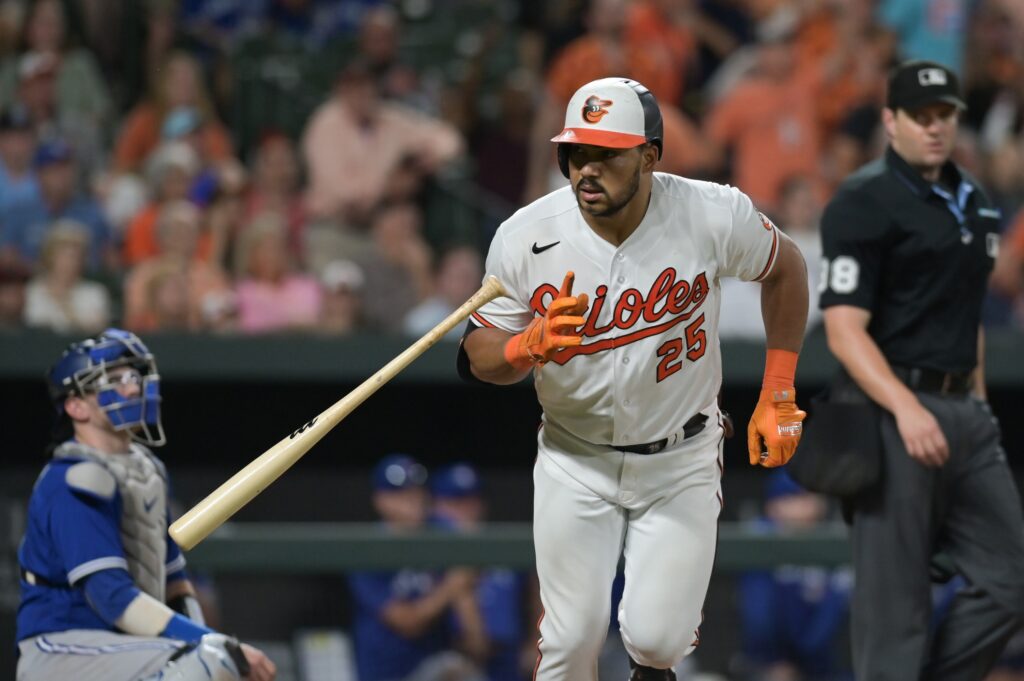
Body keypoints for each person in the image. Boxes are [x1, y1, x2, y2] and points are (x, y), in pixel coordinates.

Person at [457, 77, 809, 681]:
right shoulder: (526, 235)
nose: (586, 169)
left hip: (681, 456)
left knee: (656, 639)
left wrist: (779, 388)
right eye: (576, 152)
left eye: (606, 153)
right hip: (575, 456)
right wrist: (523, 345)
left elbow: (787, 269)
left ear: (649, 156)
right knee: (570, 643)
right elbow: (473, 356)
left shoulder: (711, 212)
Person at [818, 60, 1024, 681]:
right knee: (895, 606)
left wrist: (980, 404)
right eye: (921, 116)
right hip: (892, 407)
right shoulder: (864, 199)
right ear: (891, 120)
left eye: (945, 115)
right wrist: (905, 409)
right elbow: (843, 329)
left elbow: (968, 318)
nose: (935, 127)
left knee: (1010, 578)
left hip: (965, 407)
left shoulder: (976, 203)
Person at [15, 328, 276, 680]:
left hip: (123, 646)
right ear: (76, 406)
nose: (132, 387)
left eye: (133, 376)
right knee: (218, 660)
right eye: (113, 380)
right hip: (62, 645)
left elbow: (174, 581)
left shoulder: (145, 471)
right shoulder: (73, 478)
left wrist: (210, 643)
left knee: (223, 664)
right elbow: (111, 597)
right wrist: (214, 644)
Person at [347, 453, 487, 681]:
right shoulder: (367, 549)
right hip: (386, 671)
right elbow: (407, 622)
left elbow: (466, 586)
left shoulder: (440, 530)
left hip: (435, 664)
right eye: (400, 494)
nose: (412, 500)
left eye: (416, 491)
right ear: (380, 500)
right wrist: (450, 588)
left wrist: (475, 639)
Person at [735, 470, 852, 681]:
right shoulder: (762, 537)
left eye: (811, 496)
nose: (809, 504)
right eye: (796, 497)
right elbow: (758, 615)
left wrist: (807, 658)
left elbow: (833, 614)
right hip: (766, 664)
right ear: (774, 505)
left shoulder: (831, 539)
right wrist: (772, 662)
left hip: (822, 666)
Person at [431, 462, 533, 681]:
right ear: (437, 505)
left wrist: (536, 640)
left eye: (471, 500)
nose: (466, 510)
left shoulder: (501, 545)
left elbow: (537, 587)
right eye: (456, 502)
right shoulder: (429, 550)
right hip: (456, 657)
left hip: (509, 657)